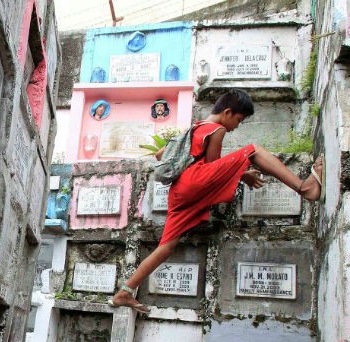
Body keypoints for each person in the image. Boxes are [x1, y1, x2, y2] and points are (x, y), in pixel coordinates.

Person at [109, 89, 324, 313]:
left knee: (166, 246)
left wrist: (238, 172)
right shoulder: (216, 130)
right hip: (195, 183)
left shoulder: (194, 128)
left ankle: (125, 291)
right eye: (239, 120)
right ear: (228, 112)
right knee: (252, 150)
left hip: (179, 192)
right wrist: (242, 171)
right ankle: (304, 187)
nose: (237, 126)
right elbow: (212, 168)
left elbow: (160, 155)